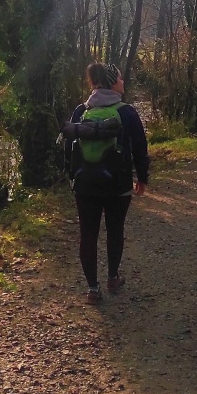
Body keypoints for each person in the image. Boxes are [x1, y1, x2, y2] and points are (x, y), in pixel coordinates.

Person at [64, 62, 149, 304]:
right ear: (113, 83)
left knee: (88, 234)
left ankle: (92, 289)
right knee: (115, 230)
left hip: (84, 184)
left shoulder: (81, 111)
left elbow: (68, 146)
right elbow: (140, 149)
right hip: (118, 184)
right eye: (121, 79)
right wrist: (142, 178)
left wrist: (72, 176)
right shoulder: (128, 112)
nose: (124, 83)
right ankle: (112, 277)